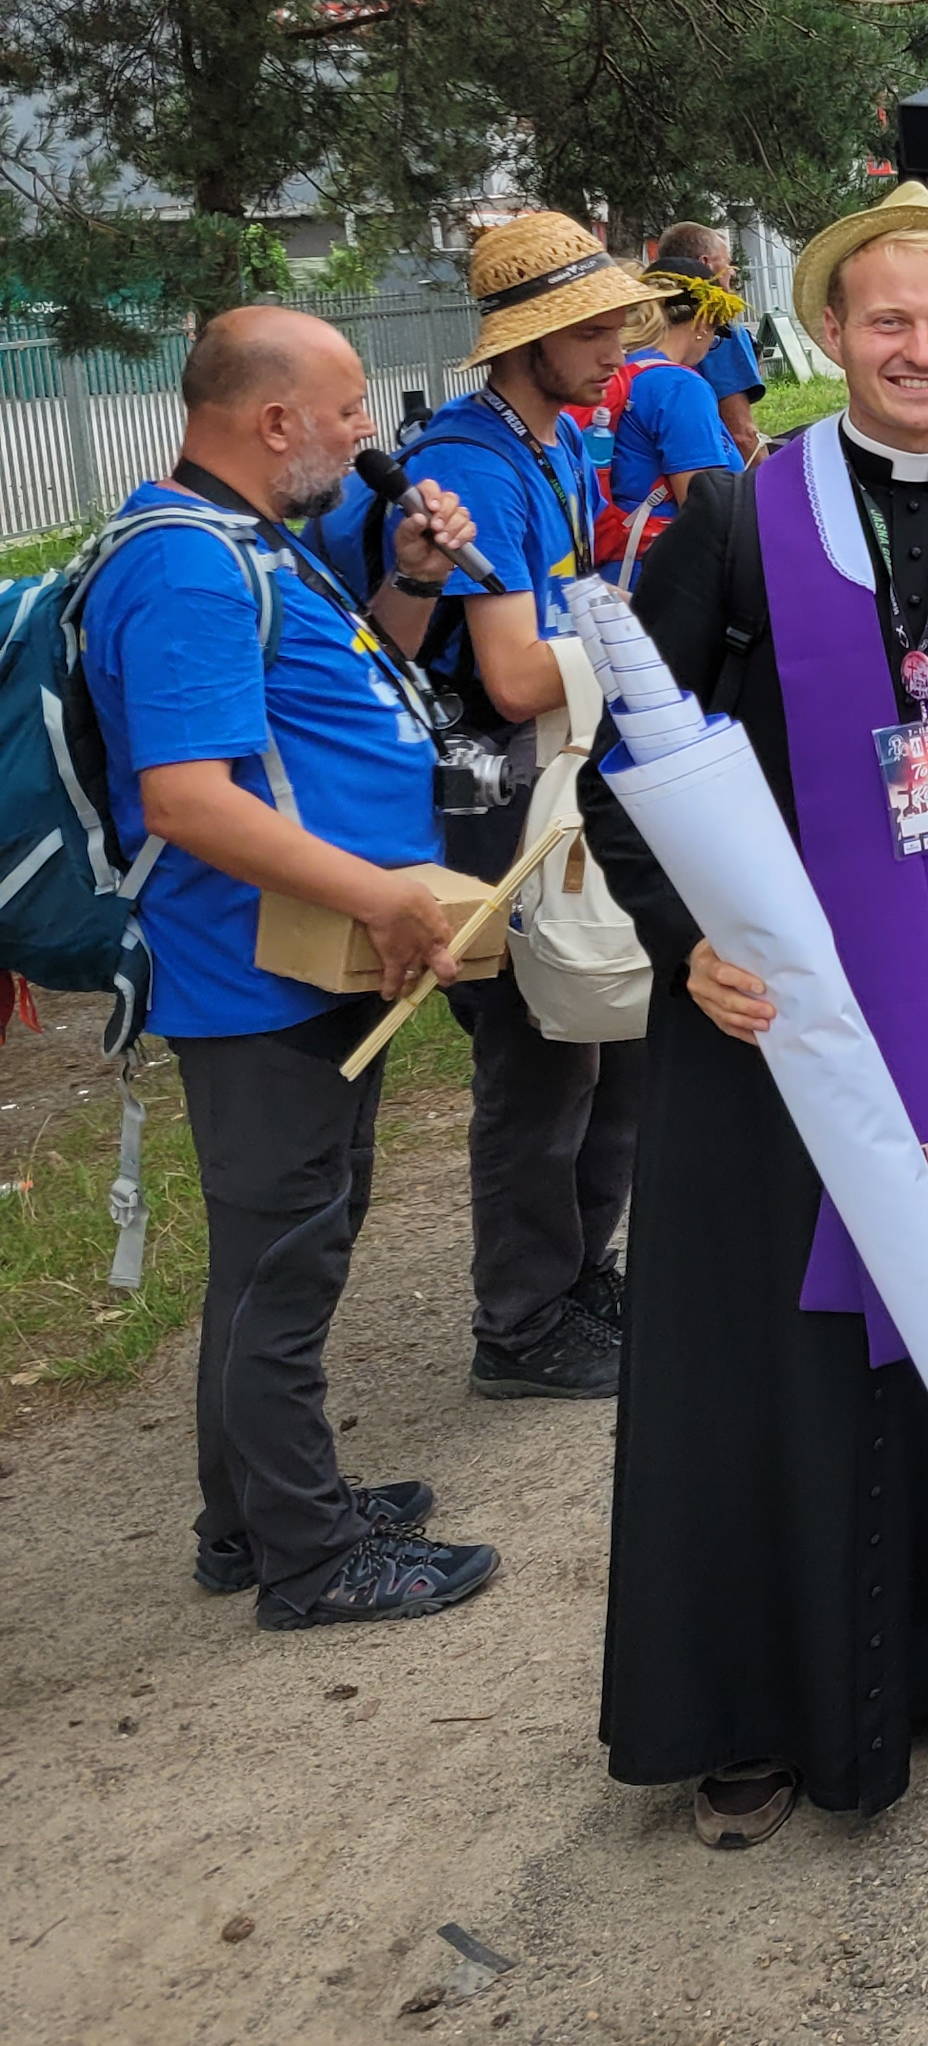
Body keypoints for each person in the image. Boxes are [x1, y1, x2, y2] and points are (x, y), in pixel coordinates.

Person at [582, 184, 928, 1844]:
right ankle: (751, 1685)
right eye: (888, 320)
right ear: (830, 333)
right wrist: (682, 943)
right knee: (775, 1349)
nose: (921, 349)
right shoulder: (737, 525)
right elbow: (629, 765)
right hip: (771, 1030)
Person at [85, 310, 501, 1627]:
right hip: (253, 981)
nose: (365, 432)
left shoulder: (251, 543)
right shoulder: (189, 571)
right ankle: (312, 1560)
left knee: (288, 1251)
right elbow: (189, 800)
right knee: (283, 1266)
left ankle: (254, 1517)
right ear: (272, 425)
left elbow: (320, 710)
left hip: (314, 964)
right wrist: (382, 892)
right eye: (345, 410)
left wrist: (416, 581)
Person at [403, 211, 655, 1404]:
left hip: (561, 769)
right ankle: (519, 1324)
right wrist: (642, 650)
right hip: (496, 794)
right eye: (596, 327)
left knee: (606, 1033)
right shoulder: (471, 461)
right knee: (535, 1058)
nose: (620, 348)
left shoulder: (554, 439)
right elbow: (507, 672)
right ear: (528, 340)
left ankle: (580, 1274)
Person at [588, 258, 749, 569]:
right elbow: (706, 509)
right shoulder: (680, 386)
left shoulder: (620, 372)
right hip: (665, 577)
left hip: (614, 563)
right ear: (702, 324)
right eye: (716, 335)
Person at [655, 222, 770, 467]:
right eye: (727, 263)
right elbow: (742, 433)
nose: (732, 272)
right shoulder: (716, 325)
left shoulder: (648, 315)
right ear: (706, 263)